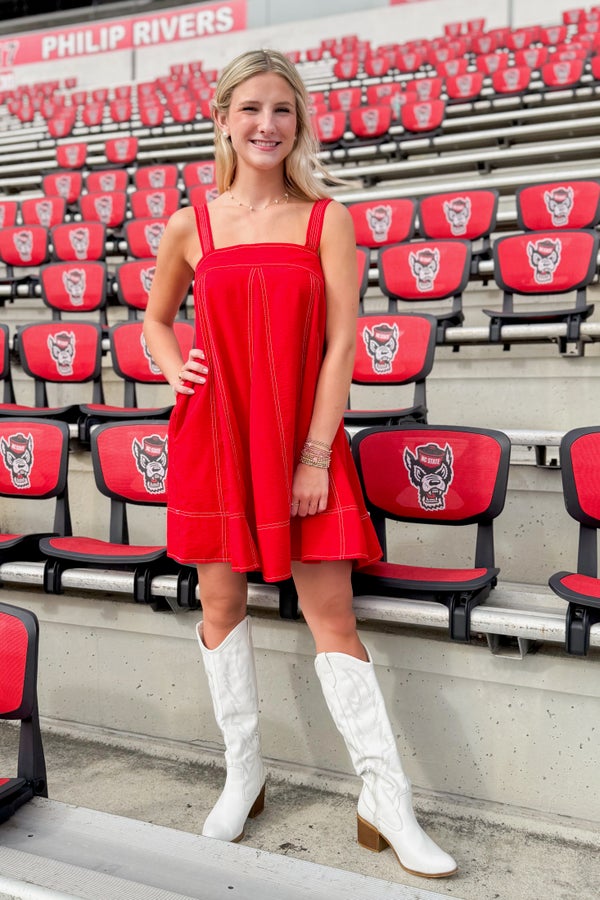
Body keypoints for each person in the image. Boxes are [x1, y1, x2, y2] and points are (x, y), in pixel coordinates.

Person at [143, 48, 457, 880]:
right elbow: (153, 321)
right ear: (222, 120)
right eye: (250, 108)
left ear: (301, 121)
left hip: (302, 440)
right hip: (214, 434)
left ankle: (385, 800)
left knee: (333, 617)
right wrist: (177, 369)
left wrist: (317, 452)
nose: (266, 124)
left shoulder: (327, 219)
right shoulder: (192, 224)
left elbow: (344, 343)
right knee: (219, 602)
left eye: (282, 109)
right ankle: (243, 774)